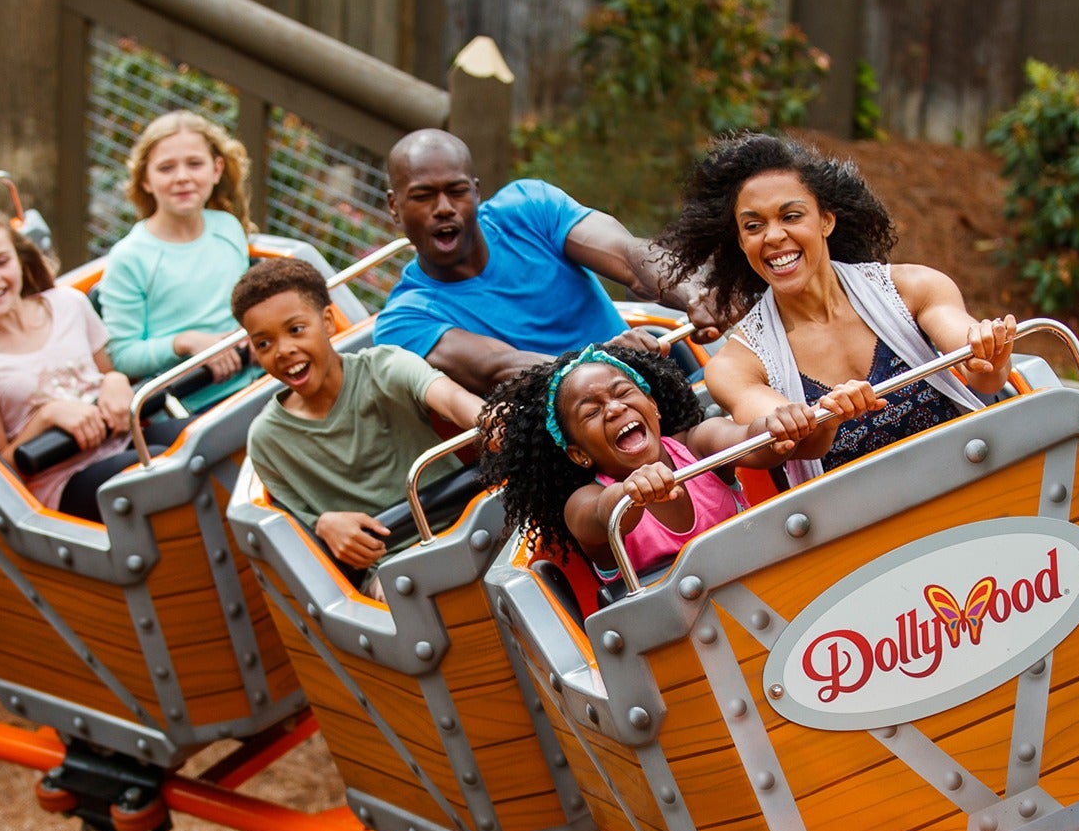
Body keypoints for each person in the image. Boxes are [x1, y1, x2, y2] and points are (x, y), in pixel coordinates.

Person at [658, 133, 1015, 486]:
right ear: (741, 241)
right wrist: (826, 421)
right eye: (754, 226)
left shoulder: (914, 287)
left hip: (969, 479)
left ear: (826, 220)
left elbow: (983, 374)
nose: (773, 236)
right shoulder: (735, 365)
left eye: (791, 216)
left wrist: (990, 351)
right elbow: (789, 443)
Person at [481, 343, 872, 576]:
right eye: (592, 411)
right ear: (579, 453)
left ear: (652, 406)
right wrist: (629, 494)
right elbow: (603, 513)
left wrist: (785, 425)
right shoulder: (582, 502)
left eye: (623, 393)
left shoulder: (698, 444)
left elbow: (753, 441)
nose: (615, 409)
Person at [375, 128, 717, 394]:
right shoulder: (404, 319)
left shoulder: (528, 206)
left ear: (476, 192)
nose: (444, 208)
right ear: (394, 206)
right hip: (570, 436)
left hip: (653, 384)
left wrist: (694, 292)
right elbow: (499, 366)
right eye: (423, 196)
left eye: (457, 191)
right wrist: (602, 361)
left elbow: (629, 257)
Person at [234, 257, 483, 598]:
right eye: (264, 343)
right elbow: (301, 530)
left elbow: (452, 399)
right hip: (392, 567)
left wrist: (490, 420)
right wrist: (323, 524)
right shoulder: (268, 441)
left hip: (471, 522)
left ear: (327, 322)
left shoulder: (385, 367)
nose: (284, 350)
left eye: (295, 330)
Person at [0, 206, 184, 521]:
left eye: (1, 262)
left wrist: (115, 381)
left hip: (120, 441)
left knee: (195, 437)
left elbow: (108, 374)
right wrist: (46, 418)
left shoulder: (69, 305)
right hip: (63, 481)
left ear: (19, 260)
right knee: (159, 467)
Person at [98, 110, 260, 409]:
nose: (182, 177)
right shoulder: (130, 257)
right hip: (181, 405)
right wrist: (185, 341)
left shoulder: (228, 228)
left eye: (195, 164)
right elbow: (122, 356)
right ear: (146, 180)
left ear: (216, 169)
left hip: (256, 382)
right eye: (166, 168)